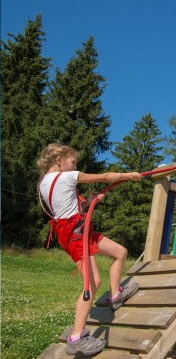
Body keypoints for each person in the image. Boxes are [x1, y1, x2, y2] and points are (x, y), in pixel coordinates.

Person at [37, 143, 143, 356]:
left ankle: (115, 295)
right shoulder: (66, 177)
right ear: (59, 160)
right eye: (72, 162)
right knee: (92, 282)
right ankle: (76, 337)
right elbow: (105, 177)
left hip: (77, 229)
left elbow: (67, 209)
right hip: (76, 234)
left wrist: (89, 203)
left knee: (120, 252)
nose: (75, 167)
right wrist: (129, 175)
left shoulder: (43, 184)